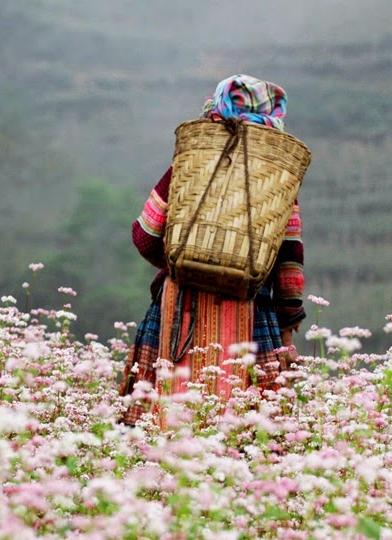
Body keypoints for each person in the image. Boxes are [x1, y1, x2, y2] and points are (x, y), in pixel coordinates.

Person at [119, 74, 305, 426]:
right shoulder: (280, 181)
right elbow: (289, 265)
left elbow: (145, 234)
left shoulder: (188, 166)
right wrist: (287, 326)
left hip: (179, 308)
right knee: (250, 431)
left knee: (161, 421)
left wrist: (185, 263)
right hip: (252, 311)